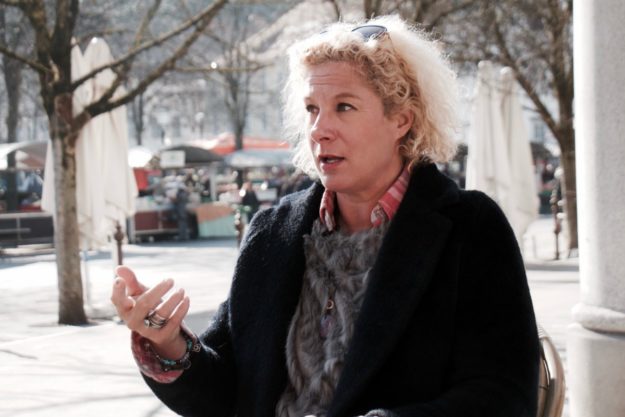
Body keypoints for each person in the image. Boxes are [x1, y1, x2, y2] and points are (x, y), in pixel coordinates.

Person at [111, 15, 539, 417]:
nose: (319, 129)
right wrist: (167, 342)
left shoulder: (470, 228)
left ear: (402, 120)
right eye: (312, 109)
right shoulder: (272, 233)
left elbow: (502, 396)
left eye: (344, 107)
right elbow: (228, 392)